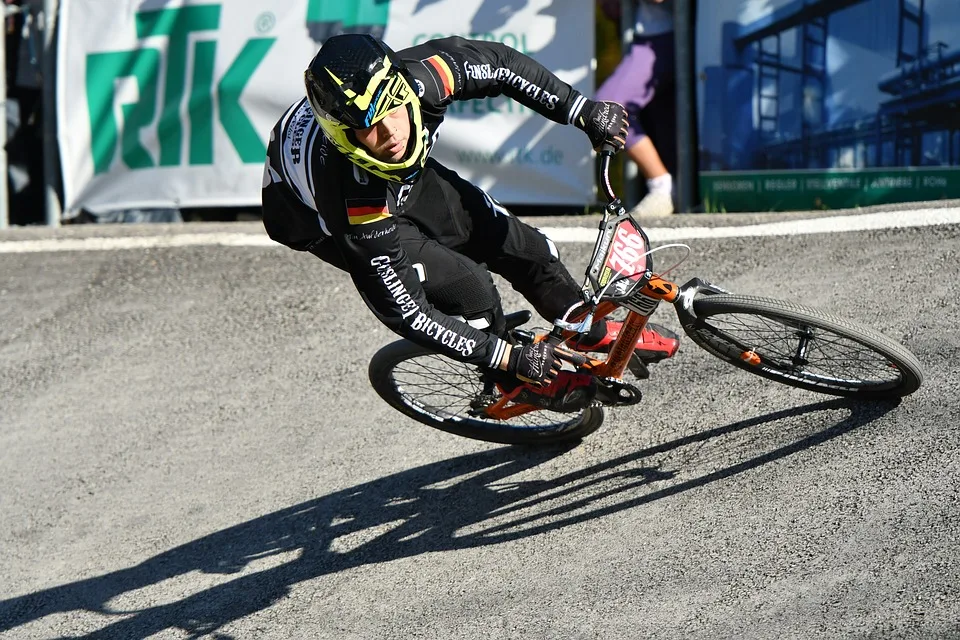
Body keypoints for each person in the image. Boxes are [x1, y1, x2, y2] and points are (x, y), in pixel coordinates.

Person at [261, 34, 679, 394]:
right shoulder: (348, 194)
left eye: (391, 109)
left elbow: (503, 66)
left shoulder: (424, 75)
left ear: (403, 88)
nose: (389, 134)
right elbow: (404, 310)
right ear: (342, 135)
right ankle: (509, 379)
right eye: (367, 127)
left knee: (525, 247)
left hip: (407, 180)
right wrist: (508, 358)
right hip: (321, 217)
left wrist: (580, 110)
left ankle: (586, 328)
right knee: (471, 290)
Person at [596, 0, 676, 217]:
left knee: (608, 105)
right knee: (663, 124)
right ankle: (668, 191)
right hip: (649, 37)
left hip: (664, 40)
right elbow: (611, 9)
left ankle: (661, 186)